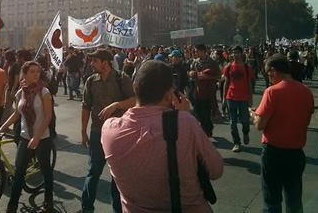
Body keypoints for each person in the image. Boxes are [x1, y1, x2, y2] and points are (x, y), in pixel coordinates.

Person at [101, 59, 224, 212]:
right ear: (169, 94)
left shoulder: (109, 129)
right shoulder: (186, 123)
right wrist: (182, 115)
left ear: (135, 88)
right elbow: (216, 170)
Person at [251, 54, 314, 213]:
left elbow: (260, 124)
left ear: (273, 71)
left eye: (267, 73)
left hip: (274, 151)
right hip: (296, 152)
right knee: (294, 200)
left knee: (272, 200)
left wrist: (255, 116)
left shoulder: (272, 92)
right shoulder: (306, 91)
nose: (268, 77)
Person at [81, 48, 136, 213]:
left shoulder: (121, 79)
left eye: (95, 61)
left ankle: (117, 209)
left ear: (105, 63)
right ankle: (86, 208)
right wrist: (83, 130)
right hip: (98, 132)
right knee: (93, 172)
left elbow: (134, 100)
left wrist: (117, 105)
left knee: (116, 176)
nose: (92, 64)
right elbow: (85, 106)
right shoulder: (91, 81)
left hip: (119, 134)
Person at [0, 61, 54, 213]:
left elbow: (48, 117)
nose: (36, 74)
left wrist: (36, 136)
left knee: (45, 170)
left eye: (37, 71)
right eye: (32, 72)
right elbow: (17, 113)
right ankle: (12, 205)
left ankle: (48, 201)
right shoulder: (20, 92)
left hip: (42, 138)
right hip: (24, 136)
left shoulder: (44, 92)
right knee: (18, 172)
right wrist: (2, 128)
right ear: (25, 75)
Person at [222, 46, 254, 152]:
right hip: (231, 97)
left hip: (243, 98)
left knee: (245, 120)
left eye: (237, 53)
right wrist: (224, 97)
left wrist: (250, 97)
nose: (235, 55)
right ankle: (236, 142)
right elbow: (226, 82)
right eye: (233, 53)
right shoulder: (229, 67)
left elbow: (249, 83)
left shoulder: (246, 67)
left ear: (241, 54)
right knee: (233, 122)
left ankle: (245, 132)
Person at [189, 44, 221, 137]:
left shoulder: (212, 62)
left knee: (206, 111)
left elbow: (219, 76)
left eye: (198, 51)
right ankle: (207, 127)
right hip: (198, 90)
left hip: (209, 91)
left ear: (203, 51)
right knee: (199, 112)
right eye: (195, 51)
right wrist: (191, 74)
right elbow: (191, 72)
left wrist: (208, 77)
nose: (196, 53)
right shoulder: (195, 62)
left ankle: (205, 131)